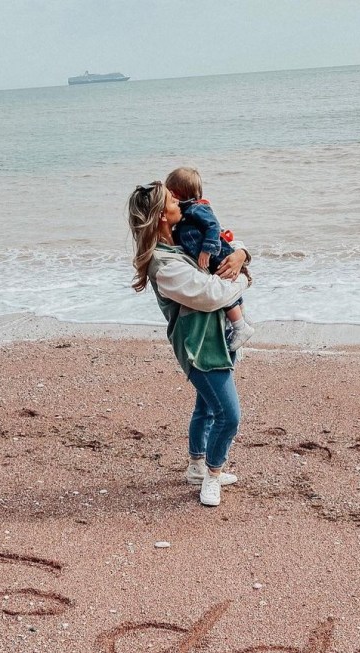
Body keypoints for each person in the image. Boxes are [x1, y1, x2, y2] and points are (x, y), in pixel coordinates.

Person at [128, 180, 252, 507]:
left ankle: (197, 466)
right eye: (172, 201)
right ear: (161, 217)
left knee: (207, 406)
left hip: (219, 336)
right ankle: (212, 476)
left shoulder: (183, 234)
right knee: (229, 415)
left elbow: (224, 238)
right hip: (198, 346)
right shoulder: (163, 264)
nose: (181, 204)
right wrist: (244, 277)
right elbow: (211, 296)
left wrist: (241, 254)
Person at [165, 166, 254, 353]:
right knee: (227, 288)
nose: (171, 200)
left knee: (226, 283)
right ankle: (240, 321)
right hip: (213, 261)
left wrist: (212, 251)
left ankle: (240, 325)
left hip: (215, 256)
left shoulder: (196, 209)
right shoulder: (182, 224)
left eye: (171, 197)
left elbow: (215, 228)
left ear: (175, 194)